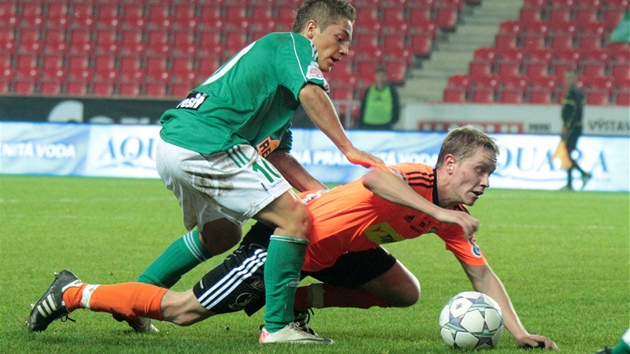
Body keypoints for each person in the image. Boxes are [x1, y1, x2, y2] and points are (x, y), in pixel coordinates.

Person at [40, 0, 384, 345]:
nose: (345, 50)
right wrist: (348, 149)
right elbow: (312, 91)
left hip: (176, 143)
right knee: (294, 219)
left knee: (221, 235)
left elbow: (277, 153)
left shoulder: (278, 82)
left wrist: (324, 193)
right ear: (311, 29)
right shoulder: (292, 46)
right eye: (340, 38)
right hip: (209, 142)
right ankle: (278, 326)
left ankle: (134, 304)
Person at [29, 126, 557, 349]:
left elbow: (481, 273)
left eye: (490, 175)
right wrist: (441, 216)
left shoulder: (451, 210)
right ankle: (74, 291)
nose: (483, 184)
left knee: (405, 291)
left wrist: (519, 332)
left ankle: (294, 304)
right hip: (287, 241)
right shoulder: (418, 180)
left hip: (335, 252)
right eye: (479, 171)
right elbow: (373, 179)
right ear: (448, 163)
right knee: (185, 311)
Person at [559, 71, 591, 191]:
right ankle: (574, 180)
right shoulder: (571, 93)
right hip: (572, 127)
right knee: (568, 154)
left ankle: (578, 178)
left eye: (570, 79)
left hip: (574, 127)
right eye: (566, 79)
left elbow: (576, 113)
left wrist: (567, 126)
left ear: (575, 79)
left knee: (567, 154)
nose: (567, 81)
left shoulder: (575, 93)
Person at [357, 65, 400, 130]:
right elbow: (363, 106)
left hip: (385, 124)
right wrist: (360, 122)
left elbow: (396, 106)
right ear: (375, 76)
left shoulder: (391, 91)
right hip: (369, 123)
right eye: (378, 75)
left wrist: (394, 120)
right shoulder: (369, 90)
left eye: (382, 76)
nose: (380, 78)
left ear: (386, 77)